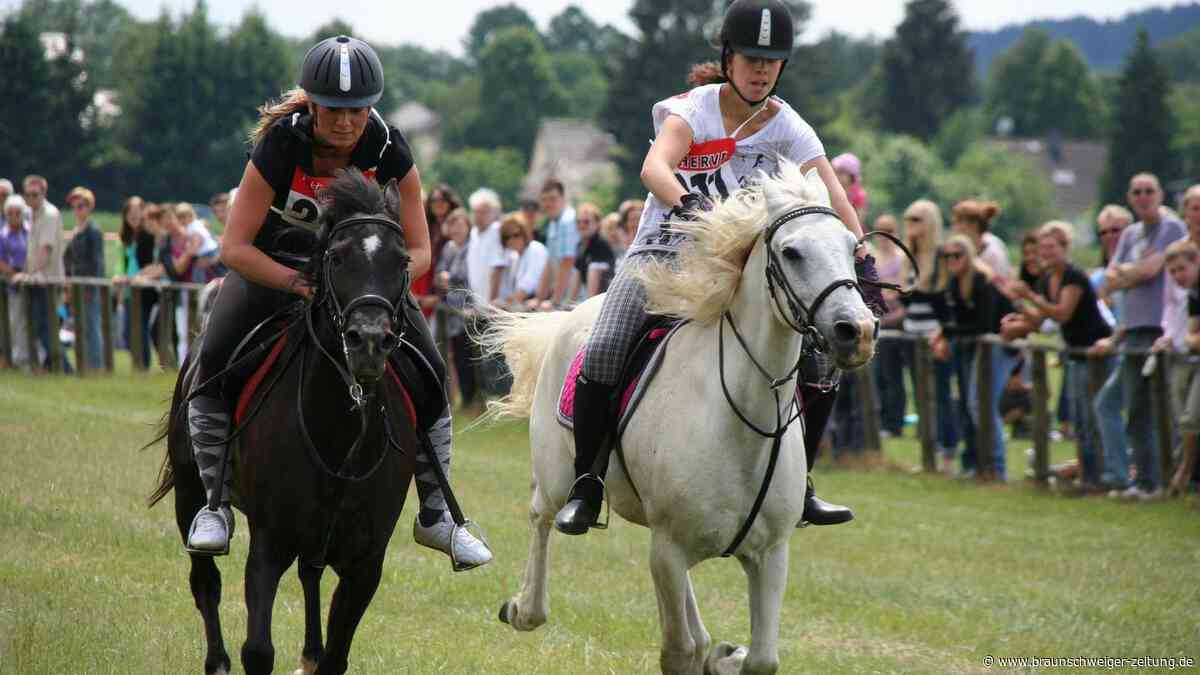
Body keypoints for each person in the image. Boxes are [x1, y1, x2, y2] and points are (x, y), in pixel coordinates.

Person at [554, 0, 872, 535]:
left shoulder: (789, 127)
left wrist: (857, 253)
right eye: (751, 57)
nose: (761, 69)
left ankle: (803, 486)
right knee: (606, 345)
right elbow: (653, 166)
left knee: (821, 367)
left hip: (741, 267)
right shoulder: (693, 111)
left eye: (771, 61)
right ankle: (587, 484)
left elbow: (833, 197)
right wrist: (686, 202)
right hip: (663, 250)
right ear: (728, 57)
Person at [182, 35, 491, 569]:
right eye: (332, 109)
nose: (345, 121)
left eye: (356, 109)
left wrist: (378, 282)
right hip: (277, 266)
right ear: (312, 103)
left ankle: (439, 516)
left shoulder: (389, 148)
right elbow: (233, 247)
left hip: (363, 278)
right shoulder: (281, 146)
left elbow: (419, 250)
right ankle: (215, 505)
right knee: (214, 357)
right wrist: (297, 283)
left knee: (432, 372)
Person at [1090, 173, 1185, 501]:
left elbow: (1152, 271)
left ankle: (1158, 480)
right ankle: (1142, 480)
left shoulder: (1172, 228)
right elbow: (1109, 281)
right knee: (1134, 410)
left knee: (1161, 410)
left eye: (1149, 191)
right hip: (1131, 332)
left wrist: (1132, 273)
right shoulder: (1131, 233)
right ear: (1130, 198)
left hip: (1159, 331)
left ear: (1160, 194)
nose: (1143, 197)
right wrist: (1136, 272)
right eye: (1137, 192)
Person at [1005, 222, 1114, 490]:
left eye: (1052, 247)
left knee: (1091, 418)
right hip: (1075, 354)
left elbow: (1062, 313)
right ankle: (1087, 474)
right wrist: (1019, 308)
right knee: (1079, 419)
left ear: (1064, 248)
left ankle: (1097, 476)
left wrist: (1028, 295)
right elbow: (1042, 321)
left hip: (1095, 353)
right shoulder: (1046, 279)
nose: (1046, 253)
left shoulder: (1074, 276)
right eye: (1042, 248)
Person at [930, 232, 1017, 479]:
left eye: (957, 255)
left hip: (1000, 346)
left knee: (981, 404)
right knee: (972, 404)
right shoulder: (955, 283)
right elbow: (960, 321)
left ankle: (997, 468)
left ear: (969, 256)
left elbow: (984, 325)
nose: (951, 260)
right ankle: (979, 464)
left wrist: (946, 332)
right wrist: (947, 334)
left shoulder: (981, 281)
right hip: (978, 347)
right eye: (947, 256)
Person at [898, 199, 957, 470]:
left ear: (930, 222)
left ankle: (947, 453)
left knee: (942, 395)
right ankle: (928, 456)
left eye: (916, 219)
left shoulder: (942, 255)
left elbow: (943, 298)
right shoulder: (907, 257)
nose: (910, 223)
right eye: (908, 218)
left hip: (936, 335)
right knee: (921, 395)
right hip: (912, 334)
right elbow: (905, 298)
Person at [1159, 240, 1200, 495]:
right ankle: (1185, 471)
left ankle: (1184, 469)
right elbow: (1193, 336)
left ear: (1196, 262)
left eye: (1181, 269)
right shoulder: (1193, 295)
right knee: (1187, 419)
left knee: (1190, 418)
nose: (1177, 276)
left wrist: (1190, 339)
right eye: (1172, 272)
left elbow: (1192, 338)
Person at [434, 208, 478, 412]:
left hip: (470, 311)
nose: (457, 229)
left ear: (468, 227)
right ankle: (465, 400)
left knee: (470, 357)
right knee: (458, 356)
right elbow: (438, 275)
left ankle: (474, 399)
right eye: (453, 225)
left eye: (461, 225)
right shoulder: (449, 248)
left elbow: (466, 276)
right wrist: (442, 278)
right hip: (452, 312)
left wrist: (448, 278)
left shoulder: (473, 247)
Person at [21, 175, 67, 372]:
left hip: (47, 281)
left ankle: (64, 367)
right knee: (43, 327)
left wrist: (31, 274)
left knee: (46, 327)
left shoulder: (49, 214)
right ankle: (54, 366)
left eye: (35, 194)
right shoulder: (34, 214)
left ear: (43, 194)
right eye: (28, 195)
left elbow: (45, 250)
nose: (31, 198)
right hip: (38, 281)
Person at [869, 213, 907, 437]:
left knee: (894, 376)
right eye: (880, 230)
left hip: (895, 320)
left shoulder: (900, 258)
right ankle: (884, 419)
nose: (883, 236)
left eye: (888, 230)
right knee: (879, 374)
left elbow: (898, 288)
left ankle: (895, 422)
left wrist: (886, 295)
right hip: (879, 317)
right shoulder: (873, 256)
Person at [63, 187, 105, 371]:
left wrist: (90, 287)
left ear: (89, 207)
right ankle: (84, 364)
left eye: (81, 205)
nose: (77, 209)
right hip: (76, 286)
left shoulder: (93, 230)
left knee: (92, 327)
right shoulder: (76, 230)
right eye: (74, 206)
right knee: (80, 327)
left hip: (89, 286)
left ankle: (95, 366)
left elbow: (97, 263)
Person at [114, 196, 158, 369]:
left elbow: (151, 263)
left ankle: (143, 366)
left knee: (140, 329)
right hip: (128, 290)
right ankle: (137, 364)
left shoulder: (148, 236)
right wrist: (119, 276)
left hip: (144, 289)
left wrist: (134, 276)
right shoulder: (124, 237)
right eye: (129, 213)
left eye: (137, 212)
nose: (133, 216)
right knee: (127, 331)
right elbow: (120, 264)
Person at [415, 183, 460, 320]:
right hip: (427, 289)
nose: (438, 204)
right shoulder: (427, 227)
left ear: (450, 202)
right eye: (434, 200)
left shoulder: (458, 227)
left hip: (450, 296)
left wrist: (438, 298)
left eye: (443, 200)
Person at [0, 195, 31, 368]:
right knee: (17, 321)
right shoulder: (3, 235)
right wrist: (14, 272)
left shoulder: (29, 231)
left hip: (30, 280)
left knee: (30, 320)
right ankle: (19, 359)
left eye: (17, 212)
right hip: (13, 283)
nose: (14, 216)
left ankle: (33, 357)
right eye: (10, 213)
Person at [539, 179, 579, 308]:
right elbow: (550, 263)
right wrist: (539, 299)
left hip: (576, 299)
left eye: (552, 199)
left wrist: (554, 301)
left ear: (563, 199)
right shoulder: (553, 222)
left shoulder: (567, 221)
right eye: (544, 200)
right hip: (563, 298)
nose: (548, 204)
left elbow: (567, 262)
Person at [498, 212, 548, 310]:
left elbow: (529, 281)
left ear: (524, 232)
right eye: (507, 237)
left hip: (539, 306)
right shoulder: (514, 257)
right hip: (523, 306)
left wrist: (508, 305)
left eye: (516, 234)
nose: (512, 239)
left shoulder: (535, 248)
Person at [565, 203, 615, 300]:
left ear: (597, 224)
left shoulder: (600, 245)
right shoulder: (580, 246)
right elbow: (576, 278)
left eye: (586, 222)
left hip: (604, 301)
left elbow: (593, 293)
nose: (581, 225)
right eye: (578, 222)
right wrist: (567, 305)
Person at [831, 153, 867, 223]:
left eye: (841, 173)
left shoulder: (858, 194)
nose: (837, 175)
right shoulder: (831, 191)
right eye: (835, 172)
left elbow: (859, 219)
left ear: (852, 175)